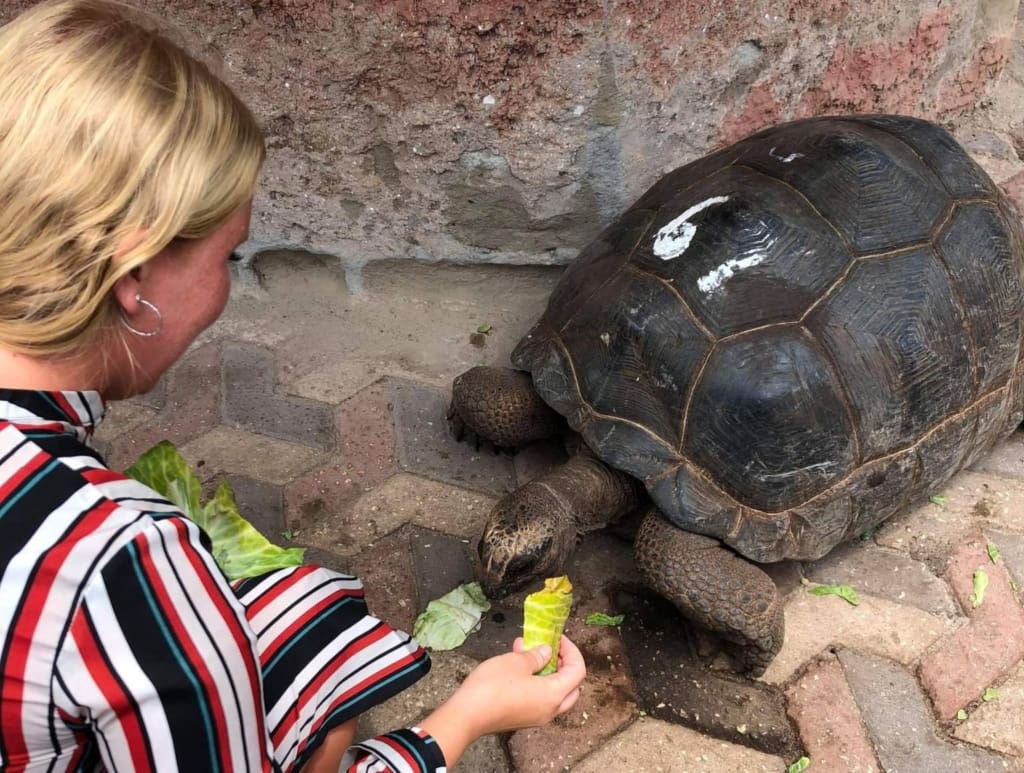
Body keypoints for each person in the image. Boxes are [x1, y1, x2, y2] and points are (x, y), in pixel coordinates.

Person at [0, 2, 587, 771]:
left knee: (310, 612)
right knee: (318, 668)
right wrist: (467, 716)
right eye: (228, 259)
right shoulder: (125, 561)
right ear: (134, 276)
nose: (226, 292)